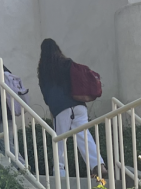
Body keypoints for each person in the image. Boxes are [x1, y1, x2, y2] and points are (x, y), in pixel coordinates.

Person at [37, 38, 106, 180]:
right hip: (79, 105)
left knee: (60, 142)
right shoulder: (67, 63)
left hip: (60, 108)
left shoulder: (44, 70)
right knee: (84, 136)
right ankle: (98, 166)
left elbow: (46, 95)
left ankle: (60, 174)